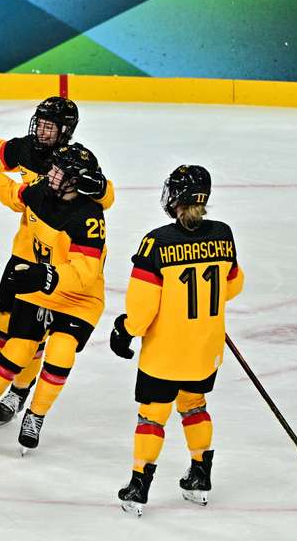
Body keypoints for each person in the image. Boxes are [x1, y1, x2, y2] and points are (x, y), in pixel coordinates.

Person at [0, 97, 114, 426]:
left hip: (57, 264)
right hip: (25, 253)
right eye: (38, 123)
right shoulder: (27, 149)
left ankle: (18, 391)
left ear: (65, 131)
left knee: (33, 336)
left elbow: (106, 197)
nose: (40, 131)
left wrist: (100, 188)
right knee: (4, 326)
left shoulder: (73, 163)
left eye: (49, 126)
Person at [109, 165, 244, 516]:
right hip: (205, 349)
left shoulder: (157, 242)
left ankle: (139, 486)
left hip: (165, 354)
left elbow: (141, 309)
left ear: (176, 198)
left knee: (152, 416)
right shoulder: (224, 234)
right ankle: (201, 474)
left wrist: (124, 330)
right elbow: (233, 285)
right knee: (194, 405)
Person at [0, 141, 107, 454]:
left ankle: (35, 415)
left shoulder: (89, 217)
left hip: (79, 298)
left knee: (61, 352)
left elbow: (85, 274)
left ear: (76, 181)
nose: (50, 174)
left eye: (58, 172)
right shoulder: (40, 193)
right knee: (18, 349)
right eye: (52, 168)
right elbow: (14, 194)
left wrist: (47, 275)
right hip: (41, 286)